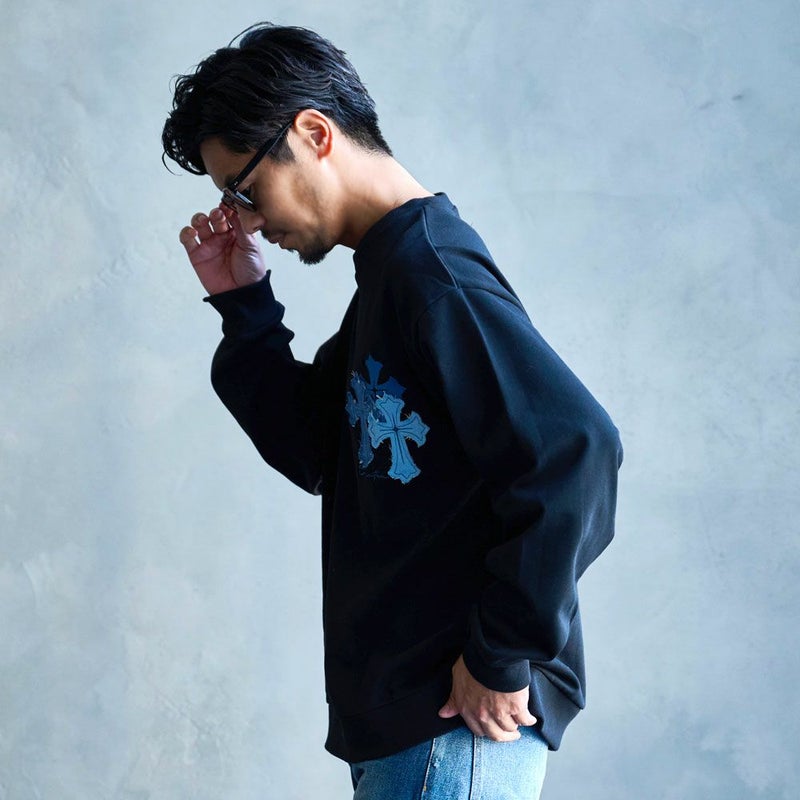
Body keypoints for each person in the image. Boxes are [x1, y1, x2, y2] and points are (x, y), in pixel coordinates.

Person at [162, 22, 623, 800]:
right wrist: (245, 310)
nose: (245, 218)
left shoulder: (430, 273)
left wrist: (500, 655)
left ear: (313, 135)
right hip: (416, 732)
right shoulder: (389, 277)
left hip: (453, 727)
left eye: (243, 189)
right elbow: (319, 450)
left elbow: (576, 449)